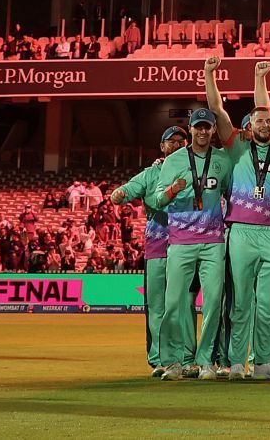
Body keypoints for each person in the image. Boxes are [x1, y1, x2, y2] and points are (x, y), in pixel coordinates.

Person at [149, 60, 234, 379]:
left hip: (213, 242)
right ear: (193, 129)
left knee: (212, 303)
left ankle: (204, 361)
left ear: (212, 130)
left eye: (207, 127)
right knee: (174, 305)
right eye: (197, 127)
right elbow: (156, 200)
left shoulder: (222, 160)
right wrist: (171, 190)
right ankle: (174, 361)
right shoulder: (172, 161)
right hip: (180, 243)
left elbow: (230, 194)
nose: (202, 131)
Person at [219, 61, 270, 378]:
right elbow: (217, 111)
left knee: (268, 302)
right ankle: (238, 362)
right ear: (250, 126)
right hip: (240, 232)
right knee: (240, 302)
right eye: (258, 120)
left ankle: (264, 361)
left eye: (269, 120)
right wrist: (257, 78)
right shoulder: (237, 147)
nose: (264, 124)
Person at [109, 124, 189, 376]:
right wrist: (120, 193)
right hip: (158, 247)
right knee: (157, 306)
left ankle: (187, 359)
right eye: (171, 141)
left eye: (181, 141)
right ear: (162, 147)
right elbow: (128, 190)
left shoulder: (196, 170)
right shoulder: (150, 173)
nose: (177, 145)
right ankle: (159, 359)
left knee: (183, 305)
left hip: (187, 245)